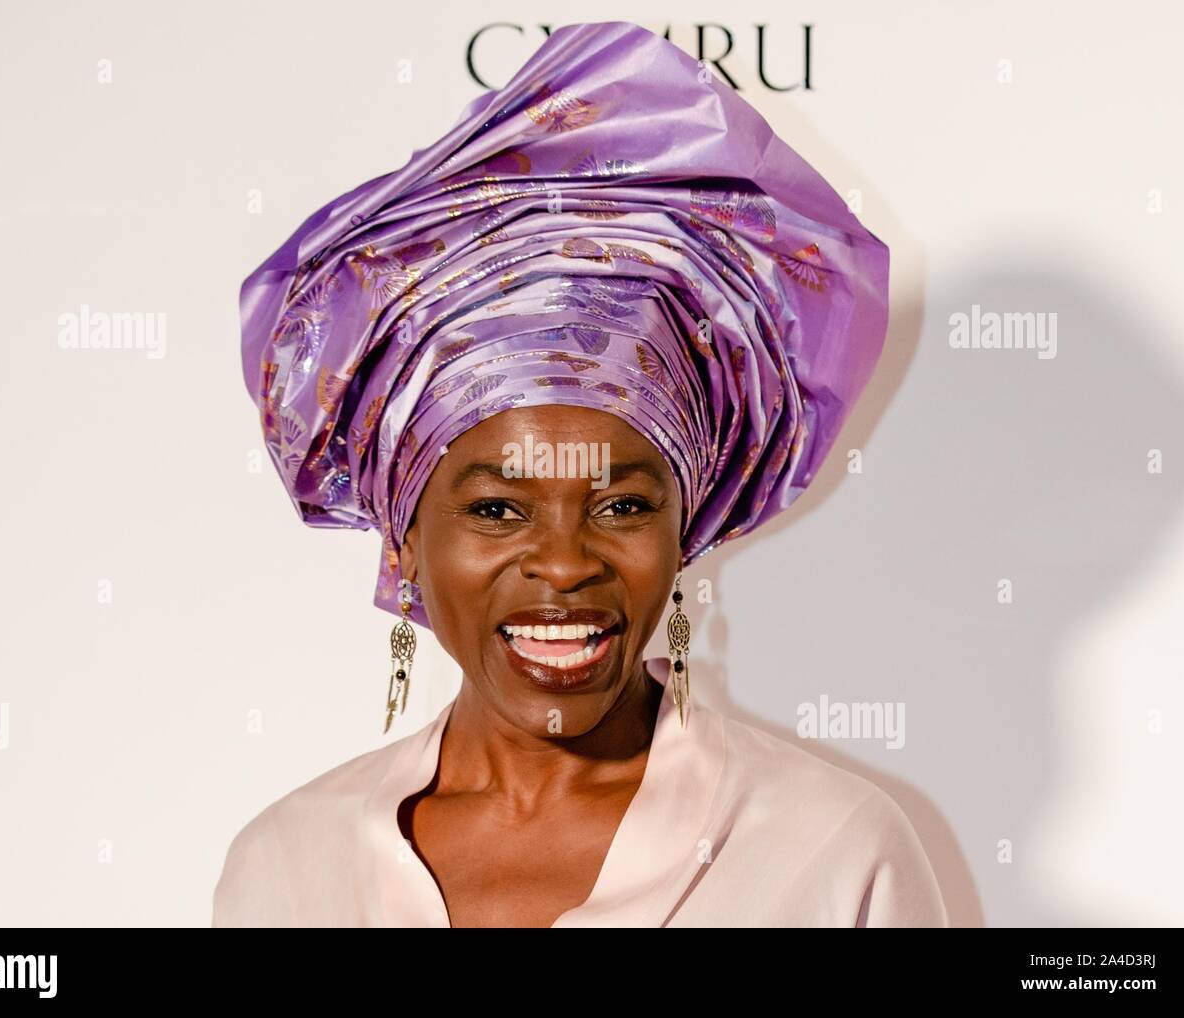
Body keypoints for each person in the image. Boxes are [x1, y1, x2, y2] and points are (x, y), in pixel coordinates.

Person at [215, 20, 947, 927]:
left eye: (623, 504)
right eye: (496, 508)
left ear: (690, 528)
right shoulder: (290, 869)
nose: (564, 564)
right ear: (403, 542)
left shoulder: (832, 854)